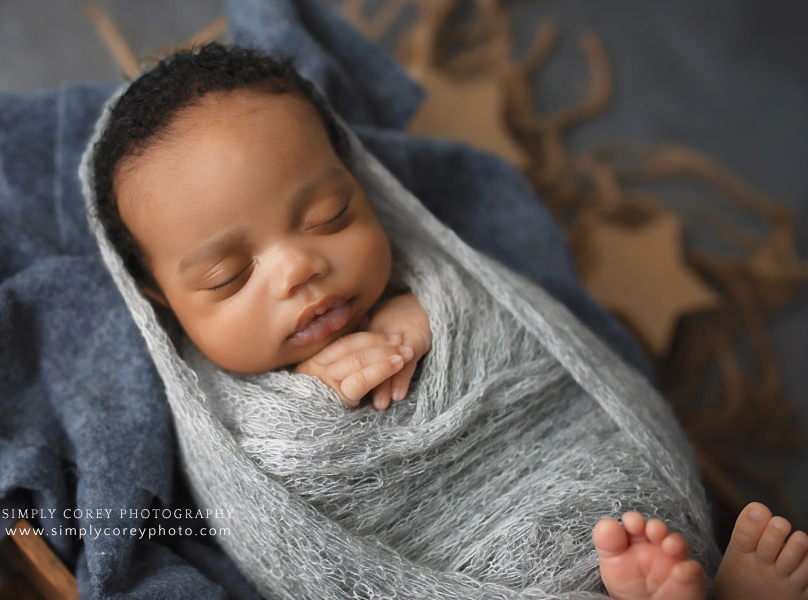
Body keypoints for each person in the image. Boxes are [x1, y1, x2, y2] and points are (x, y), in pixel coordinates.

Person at [91, 41, 808, 599]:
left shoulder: (437, 281)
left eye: (330, 216)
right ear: (158, 298)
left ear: (367, 187)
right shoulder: (228, 429)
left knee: (638, 530)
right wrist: (310, 403)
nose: (299, 269)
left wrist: (427, 318)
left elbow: (539, 355)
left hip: (601, 504)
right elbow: (286, 547)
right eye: (230, 275)